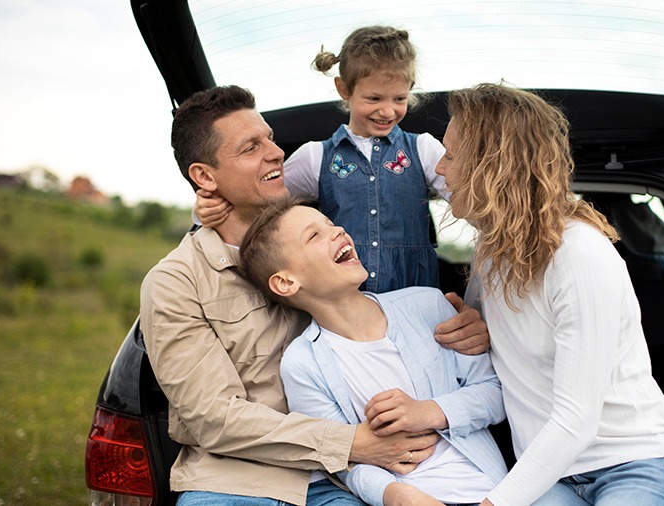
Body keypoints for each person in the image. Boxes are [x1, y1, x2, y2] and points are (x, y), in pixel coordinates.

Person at [139, 84, 489, 506]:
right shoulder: (176, 282)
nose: (275, 153)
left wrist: (467, 321)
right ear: (204, 177)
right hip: (239, 483)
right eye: (251, 147)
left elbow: (394, 313)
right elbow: (213, 418)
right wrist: (349, 443)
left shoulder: (331, 238)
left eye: (269, 138)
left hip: (351, 480)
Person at [434, 83, 664, 506]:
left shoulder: (578, 254)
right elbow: (494, 350)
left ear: (491, 165)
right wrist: (474, 328)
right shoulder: (491, 251)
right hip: (549, 474)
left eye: (450, 154)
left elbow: (577, 419)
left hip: (635, 463)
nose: (441, 169)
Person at [237, 198, 508, 506]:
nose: (337, 230)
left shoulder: (427, 305)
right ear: (286, 282)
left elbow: (495, 393)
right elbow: (343, 460)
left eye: (331, 224)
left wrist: (428, 411)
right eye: (314, 235)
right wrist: (396, 495)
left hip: (491, 492)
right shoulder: (302, 363)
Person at [196, 26, 446, 293]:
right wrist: (204, 211)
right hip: (344, 302)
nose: (388, 110)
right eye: (374, 98)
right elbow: (260, 204)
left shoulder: (423, 149)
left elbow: (473, 201)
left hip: (418, 295)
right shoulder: (316, 157)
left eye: (399, 98)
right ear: (343, 88)